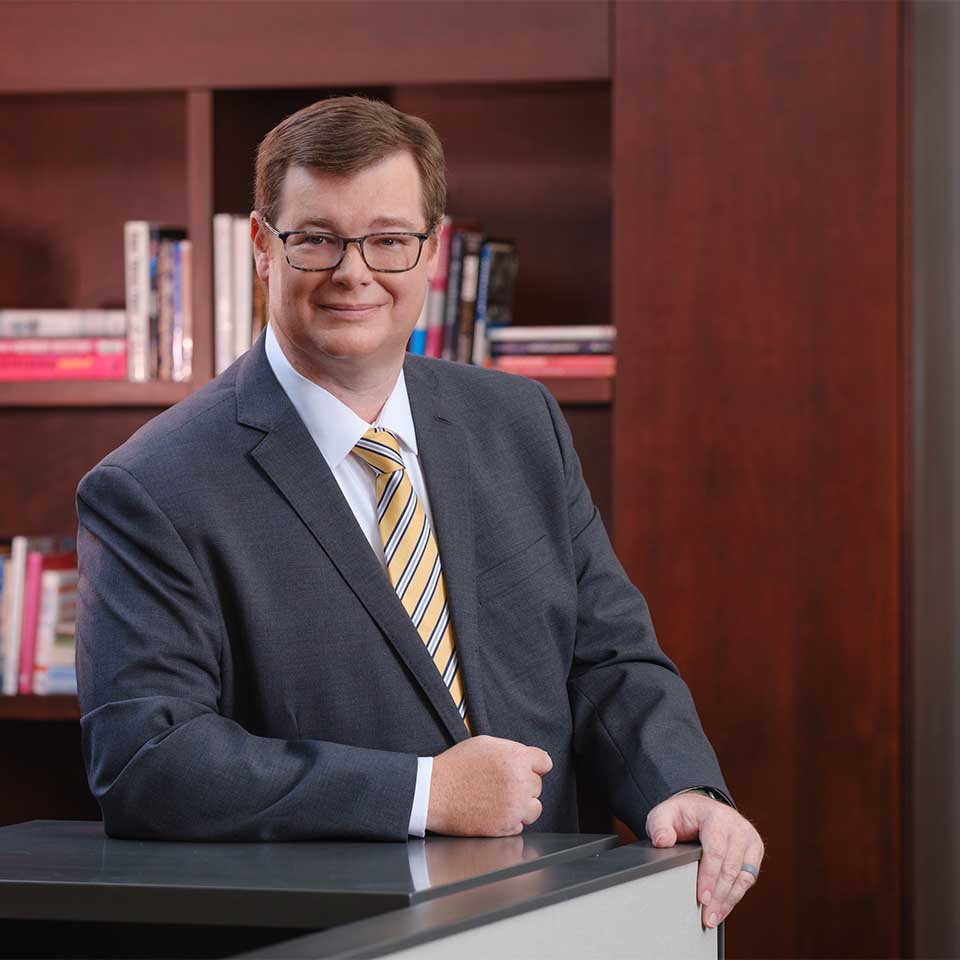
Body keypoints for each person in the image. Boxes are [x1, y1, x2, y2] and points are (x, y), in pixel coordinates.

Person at [76, 96, 762, 929]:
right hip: (333, 936)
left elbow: (609, 656)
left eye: (390, 240)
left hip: (558, 921)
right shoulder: (153, 487)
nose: (354, 272)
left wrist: (680, 786)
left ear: (431, 252)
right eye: (317, 238)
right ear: (262, 247)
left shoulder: (522, 424)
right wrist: (427, 790)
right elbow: (149, 761)